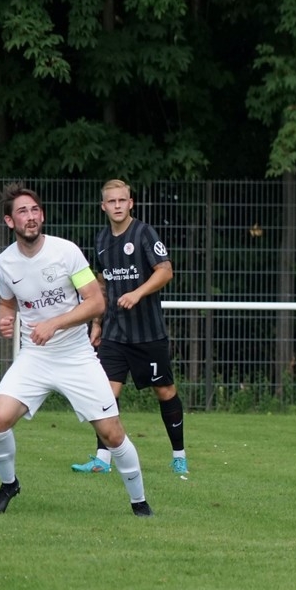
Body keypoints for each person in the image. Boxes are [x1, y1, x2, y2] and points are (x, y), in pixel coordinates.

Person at [0, 185, 152, 517]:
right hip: (35, 358)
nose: (31, 217)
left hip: (76, 356)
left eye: (35, 210)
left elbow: (96, 303)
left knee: (112, 433)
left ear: (42, 215)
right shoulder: (4, 262)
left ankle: (139, 502)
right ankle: (9, 485)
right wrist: (3, 320)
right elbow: (7, 304)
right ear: (9, 221)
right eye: (22, 211)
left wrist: (55, 324)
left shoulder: (66, 252)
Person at [71, 179, 188, 476]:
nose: (117, 206)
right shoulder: (101, 240)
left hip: (148, 333)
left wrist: (137, 293)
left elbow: (166, 271)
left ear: (130, 203)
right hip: (114, 332)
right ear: (103, 206)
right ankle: (102, 459)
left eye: (122, 200)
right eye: (111, 201)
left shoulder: (144, 233)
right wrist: (97, 323)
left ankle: (179, 456)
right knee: (105, 394)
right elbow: (103, 283)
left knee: (165, 391)